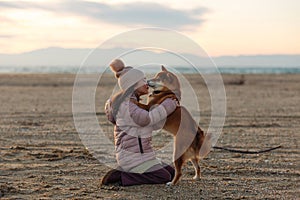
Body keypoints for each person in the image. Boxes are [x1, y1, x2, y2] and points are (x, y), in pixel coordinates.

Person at [101, 59, 177, 186]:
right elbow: (146, 119)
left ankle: (133, 173)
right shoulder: (127, 106)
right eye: (143, 80)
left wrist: (165, 116)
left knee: (172, 173)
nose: (146, 82)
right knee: (163, 176)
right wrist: (167, 105)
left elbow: (149, 124)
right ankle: (122, 177)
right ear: (133, 85)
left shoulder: (134, 104)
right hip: (133, 159)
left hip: (144, 156)